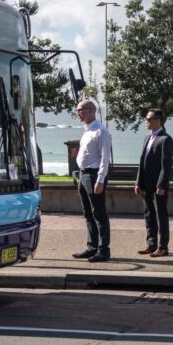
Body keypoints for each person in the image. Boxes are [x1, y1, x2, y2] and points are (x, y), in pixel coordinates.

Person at [72, 100, 112, 263]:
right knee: (88, 213)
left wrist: (100, 180)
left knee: (99, 213)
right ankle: (92, 247)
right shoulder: (87, 130)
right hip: (83, 175)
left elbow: (105, 157)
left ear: (90, 111)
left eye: (80, 110)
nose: (78, 113)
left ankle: (103, 250)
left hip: (94, 175)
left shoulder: (101, 131)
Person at [136, 108, 173, 257]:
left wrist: (161, 185)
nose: (146, 121)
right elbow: (142, 161)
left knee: (161, 215)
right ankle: (151, 244)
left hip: (158, 186)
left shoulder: (166, 139)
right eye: (146, 118)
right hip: (146, 184)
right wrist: (138, 182)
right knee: (149, 214)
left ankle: (163, 246)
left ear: (158, 121)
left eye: (149, 119)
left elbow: (166, 165)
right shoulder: (147, 138)